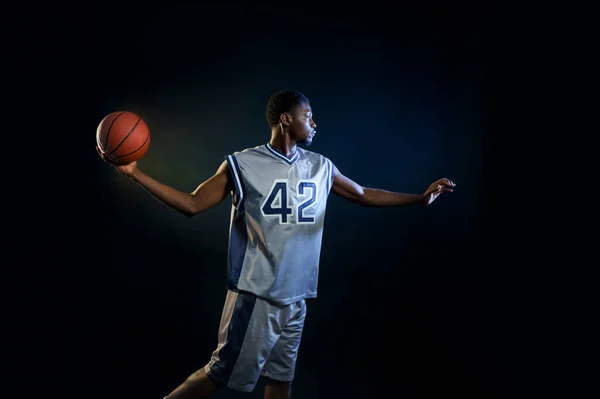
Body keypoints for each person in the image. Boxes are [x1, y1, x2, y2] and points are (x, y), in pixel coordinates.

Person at [97, 90, 455, 399]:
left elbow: (364, 194)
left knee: (280, 382)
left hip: (297, 296)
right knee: (219, 373)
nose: (314, 123)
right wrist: (136, 174)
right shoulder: (242, 163)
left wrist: (419, 199)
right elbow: (192, 204)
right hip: (257, 295)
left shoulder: (321, 166)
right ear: (286, 118)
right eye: (308, 115)